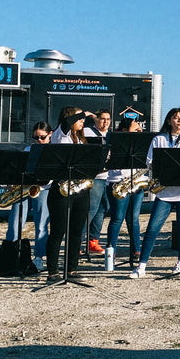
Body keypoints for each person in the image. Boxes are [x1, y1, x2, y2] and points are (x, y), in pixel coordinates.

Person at [130, 108, 180, 279]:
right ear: (169, 120)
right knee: (153, 228)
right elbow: (150, 163)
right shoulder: (159, 139)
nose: (179, 121)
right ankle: (141, 266)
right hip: (165, 192)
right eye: (175, 118)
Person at [45, 107, 97, 281]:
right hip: (61, 190)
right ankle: (52, 272)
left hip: (80, 190)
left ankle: (71, 269)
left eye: (83, 118)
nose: (82, 121)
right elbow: (66, 123)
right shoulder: (61, 134)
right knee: (58, 231)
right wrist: (85, 113)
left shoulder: (81, 140)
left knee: (76, 231)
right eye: (79, 117)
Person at [2, 121, 52, 271]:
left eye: (42, 137)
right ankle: (12, 256)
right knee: (14, 223)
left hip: (43, 189)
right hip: (24, 190)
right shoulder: (28, 149)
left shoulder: (52, 150)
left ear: (50, 135)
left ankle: (39, 258)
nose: (38, 141)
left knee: (41, 226)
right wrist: (13, 181)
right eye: (35, 137)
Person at [106, 118, 146, 266]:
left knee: (133, 219)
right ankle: (111, 252)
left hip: (136, 184)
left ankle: (136, 251)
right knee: (117, 218)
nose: (138, 130)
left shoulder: (141, 143)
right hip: (118, 182)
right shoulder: (113, 143)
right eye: (135, 128)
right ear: (124, 130)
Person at [83, 108, 112, 256]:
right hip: (95, 177)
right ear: (96, 120)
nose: (105, 122)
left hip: (108, 177)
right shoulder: (88, 132)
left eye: (108, 119)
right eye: (102, 119)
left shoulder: (111, 135)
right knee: (91, 209)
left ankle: (93, 241)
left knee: (103, 209)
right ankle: (79, 241)